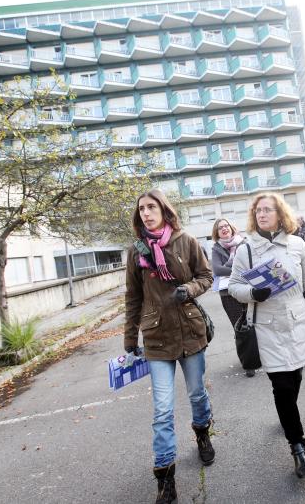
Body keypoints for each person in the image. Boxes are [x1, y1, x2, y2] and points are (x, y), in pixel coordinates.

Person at [228, 192, 305, 479]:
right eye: (258, 211)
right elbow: (234, 286)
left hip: (299, 322)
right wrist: (252, 293)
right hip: (267, 326)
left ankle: (287, 417)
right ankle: (298, 445)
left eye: (268, 210)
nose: (262, 214)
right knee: (282, 387)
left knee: (295, 378)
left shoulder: (297, 244)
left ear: (280, 214)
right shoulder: (246, 250)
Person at [123, 189, 215, 504]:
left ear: (164, 210)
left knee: (197, 395)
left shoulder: (186, 241)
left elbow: (206, 276)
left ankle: (202, 432)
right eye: (142, 209)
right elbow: (133, 296)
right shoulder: (136, 251)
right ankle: (165, 479)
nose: (146, 213)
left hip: (190, 331)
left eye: (152, 207)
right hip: (157, 338)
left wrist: (188, 289)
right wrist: (129, 338)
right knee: (162, 411)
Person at [210, 218, 256, 377]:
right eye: (220, 228)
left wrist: (229, 266)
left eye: (226, 226)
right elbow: (217, 270)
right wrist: (237, 267)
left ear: (231, 227)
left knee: (255, 323)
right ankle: (248, 362)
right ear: (217, 233)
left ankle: (261, 355)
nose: (224, 229)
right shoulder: (216, 248)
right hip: (227, 293)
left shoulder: (243, 243)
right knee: (240, 326)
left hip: (246, 287)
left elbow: (250, 265)